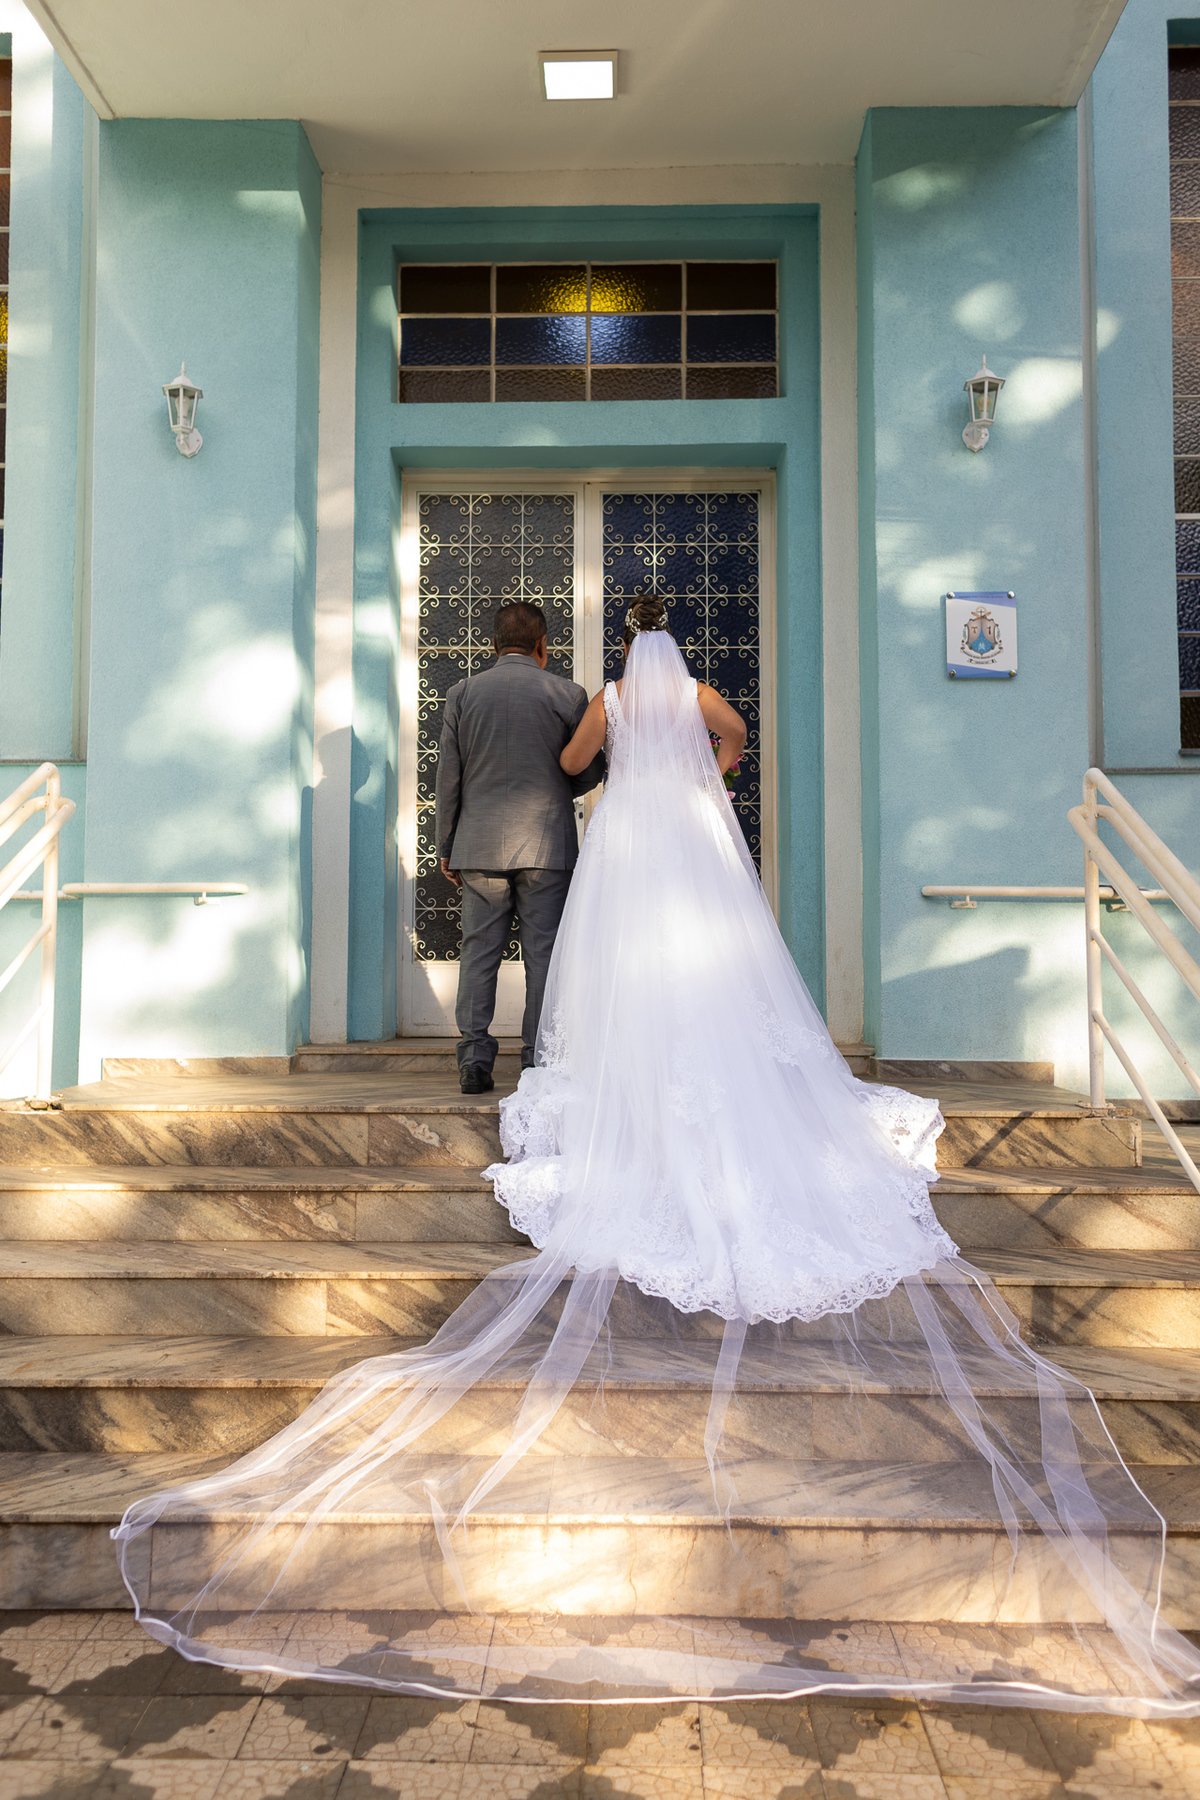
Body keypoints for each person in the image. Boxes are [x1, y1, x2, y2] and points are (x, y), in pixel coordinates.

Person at [114, 599, 1200, 1717]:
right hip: (689, 833)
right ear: (673, 641)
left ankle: (517, 1061)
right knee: (700, 964)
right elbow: (736, 743)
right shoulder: (692, 697)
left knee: (602, 963)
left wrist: (610, 765)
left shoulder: (615, 699)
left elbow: (578, 762)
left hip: (621, 835)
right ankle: (636, 1068)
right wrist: (703, 779)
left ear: (619, 647)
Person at [435, 599, 605, 1093]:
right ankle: (537, 1059)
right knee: (544, 953)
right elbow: (587, 767)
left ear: (492, 645)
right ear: (542, 646)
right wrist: (555, 789)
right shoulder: (567, 694)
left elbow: (450, 779)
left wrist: (446, 844)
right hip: (547, 845)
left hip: (479, 845)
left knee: (479, 951)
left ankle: (474, 1060)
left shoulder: (463, 693)